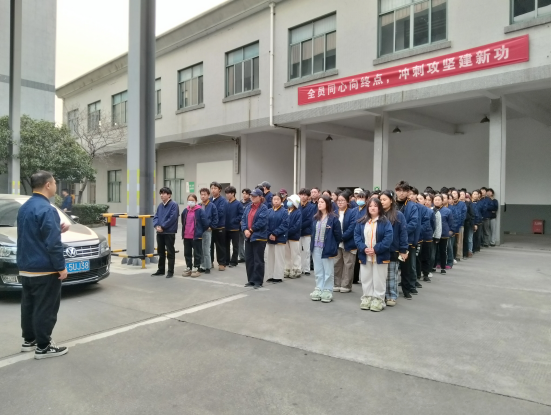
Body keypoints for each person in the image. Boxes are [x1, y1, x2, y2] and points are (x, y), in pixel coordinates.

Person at [18, 170, 70, 359]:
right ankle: (43, 346)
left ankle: (29, 340)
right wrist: (61, 267)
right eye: (54, 182)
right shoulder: (47, 209)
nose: (55, 185)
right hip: (44, 268)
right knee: (46, 307)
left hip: (26, 266)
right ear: (48, 185)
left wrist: (57, 229)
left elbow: (33, 234)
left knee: (29, 305)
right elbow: (53, 244)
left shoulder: (25, 207)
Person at [354, 197, 393, 312]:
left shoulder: (385, 222)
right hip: (365, 255)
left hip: (380, 255)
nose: (372, 208)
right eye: (370, 206)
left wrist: (376, 249)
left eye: (375, 206)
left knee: (379, 279)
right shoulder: (361, 222)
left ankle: (378, 299)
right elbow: (357, 236)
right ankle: (367, 297)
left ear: (379, 208)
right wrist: (364, 248)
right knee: (366, 278)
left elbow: (388, 238)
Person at [309, 195, 342, 303]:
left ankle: (327, 290)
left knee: (328, 271)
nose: (319, 204)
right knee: (318, 270)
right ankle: (319, 288)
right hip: (316, 247)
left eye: (322, 202)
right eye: (319, 202)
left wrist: (333, 246)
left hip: (327, 248)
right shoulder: (315, 217)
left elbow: (338, 236)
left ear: (327, 204)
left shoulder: (333, 218)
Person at [380, 190, 408, 306]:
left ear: (391, 200)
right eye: (380, 200)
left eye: (384, 199)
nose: (382, 202)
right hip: (380, 249)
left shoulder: (398, 215)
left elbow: (403, 233)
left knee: (392, 274)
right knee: (381, 274)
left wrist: (403, 249)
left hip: (393, 249)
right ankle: (381, 294)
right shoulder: (378, 214)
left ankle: (391, 295)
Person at [395, 181, 419, 299]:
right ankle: (391, 290)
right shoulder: (392, 204)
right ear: (396, 191)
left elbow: (413, 223)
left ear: (408, 192)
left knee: (406, 267)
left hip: (406, 240)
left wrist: (402, 233)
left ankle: (406, 289)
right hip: (393, 240)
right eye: (399, 190)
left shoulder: (412, 206)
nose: (402, 193)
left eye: (404, 191)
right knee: (392, 266)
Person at [242, 189, 269, 289]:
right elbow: (243, 219)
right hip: (248, 237)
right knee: (249, 259)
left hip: (259, 237)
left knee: (258, 260)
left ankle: (258, 281)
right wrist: (245, 230)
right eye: (251, 196)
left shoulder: (264, 208)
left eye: (255, 196)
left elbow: (261, 222)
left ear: (260, 197)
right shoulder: (248, 207)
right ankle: (251, 280)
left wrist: (251, 230)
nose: (252, 197)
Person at [333, 191, 358, 293]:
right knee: (337, 263)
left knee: (348, 264)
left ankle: (346, 285)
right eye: (338, 200)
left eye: (342, 200)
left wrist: (341, 237)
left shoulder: (352, 212)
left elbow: (352, 227)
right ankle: (336, 283)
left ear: (347, 201)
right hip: (337, 242)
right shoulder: (334, 212)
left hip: (349, 242)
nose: (340, 202)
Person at [152, 187, 179, 278]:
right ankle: (161, 270)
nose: (161, 195)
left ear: (169, 195)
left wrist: (163, 226)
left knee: (170, 252)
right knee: (160, 252)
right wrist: (156, 226)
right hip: (160, 232)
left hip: (169, 232)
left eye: (164, 193)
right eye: (161, 193)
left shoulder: (174, 205)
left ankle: (170, 271)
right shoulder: (160, 205)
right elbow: (156, 216)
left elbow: (172, 218)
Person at [181, 194, 208, 278]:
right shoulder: (185, 211)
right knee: (187, 253)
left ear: (196, 201)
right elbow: (183, 221)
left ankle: (196, 267)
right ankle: (189, 267)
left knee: (197, 253)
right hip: (186, 236)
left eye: (192, 200)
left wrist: (200, 231)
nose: (190, 202)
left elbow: (205, 224)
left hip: (196, 236)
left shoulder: (200, 211)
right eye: (189, 200)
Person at [265, 194, 289, 284]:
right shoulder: (269, 211)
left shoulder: (285, 211)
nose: (276, 201)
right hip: (269, 238)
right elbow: (266, 224)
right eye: (274, 199)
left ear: (281, 200)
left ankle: (278, 276)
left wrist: (275, 233)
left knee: (279, 258)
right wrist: (269, 234)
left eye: (278, 199)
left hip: (280, 237)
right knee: (270, 257)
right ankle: (270, 275)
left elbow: (285, 224)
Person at [198, 188, 218, 275]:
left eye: (204, 194)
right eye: (201, 194)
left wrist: (211, 227)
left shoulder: (212, 206)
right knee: (201, 249)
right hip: (199, 230)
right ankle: (202, 265)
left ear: (208, 195)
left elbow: (215, 218)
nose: (203, 196)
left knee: (206, 249)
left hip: (207, 230)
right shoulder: (199, 205)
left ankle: (207, 266)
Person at [433, 194, 454, 274]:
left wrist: (450, 231)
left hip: (443, 234)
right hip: (434, 234)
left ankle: (443, 267)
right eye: (435, 200)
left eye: (439, 200)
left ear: (442, 201)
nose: (437, 201)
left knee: (443, 251)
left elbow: (450, 222)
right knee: (434, 251)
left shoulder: (447, 211)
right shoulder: (431, 210)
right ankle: (433, 266)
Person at [223, 186, 244, 268]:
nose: (227, 195)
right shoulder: (226, 203)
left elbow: (241, 215)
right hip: (226, 228)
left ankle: (234, 261)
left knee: (235, 246)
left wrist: (234, 221)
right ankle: (226, 260)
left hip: (235, 228)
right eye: (226, 193)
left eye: (229, 193)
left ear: (233, 193)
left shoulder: (238, 204)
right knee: (226, 245)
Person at [210, 182, 228, 271]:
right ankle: (210, 262)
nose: (213, 190)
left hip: (219, 226)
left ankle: (222, 263)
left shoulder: (223, 200)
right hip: (210, 227)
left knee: (220, 246)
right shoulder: (209, 199)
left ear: (219, 190)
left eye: (215, 188)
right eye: (212, 188)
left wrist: (211, 219)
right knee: (210, 246)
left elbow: (220, 213)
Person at [284, 194, 302, 279]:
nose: (289, 202)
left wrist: (288, 232)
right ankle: (287, 269)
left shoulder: (298, 212)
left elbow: (297, 226)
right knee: (287, 254)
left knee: (295, 254)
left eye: (291, 201)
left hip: (294, 237)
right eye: (289, 201)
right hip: (286, 236)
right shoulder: (286, 211)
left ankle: (296, 270)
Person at [299, 188, 316, 275]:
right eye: (301, 194)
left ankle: (306, 269)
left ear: (308, 197)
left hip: (307, 231)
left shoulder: (311, 207)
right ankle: (299, 268)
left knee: (306, 251)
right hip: (298, 232)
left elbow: (310, 220)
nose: (303, 196)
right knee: (299, 251)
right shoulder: (297, 205)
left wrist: (299, 226)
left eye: (305, 195)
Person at [451, 189, 467, 261]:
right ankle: (453, 255)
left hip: (460, 225)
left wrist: (459, 223)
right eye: (452, 193)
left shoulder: (462, 204)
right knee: (453, 242)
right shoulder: (450, 204)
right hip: (451, 225)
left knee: (459, 241)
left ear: (458, 195)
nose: (453, 195)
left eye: (455, 193)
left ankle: (459, 255)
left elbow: (463, 215)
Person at [238, 188, 252, 263]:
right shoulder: (239, 202)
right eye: (243, 193)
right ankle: (242, 256)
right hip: (239, 226)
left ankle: (248, 256)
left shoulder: (250, 203)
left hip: (247, 226)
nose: (244, 195)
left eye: (246, 194)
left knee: (247, 241)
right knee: (240, 242)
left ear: (249, 195)